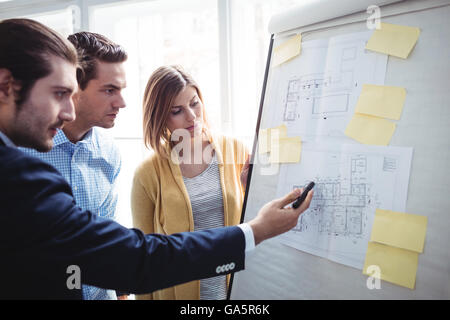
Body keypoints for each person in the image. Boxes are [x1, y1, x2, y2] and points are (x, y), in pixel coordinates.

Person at [0, 18, 313, 299]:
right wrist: (255, 230)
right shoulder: (19, 173)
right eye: (59, 93)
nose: (67, 111)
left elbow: (106, 252)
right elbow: (138, 257)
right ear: (5, 86)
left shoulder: (108, 155)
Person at [20, 31, 127, 300]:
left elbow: (107, 237)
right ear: (74, 88)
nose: (121, 102)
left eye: (121, 90)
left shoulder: (109, 153)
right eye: (109, 90)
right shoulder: (20, 152)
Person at [131, 65, 249, 300]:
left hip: (236, 290)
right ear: (159, 116)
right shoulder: (147, 173)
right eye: (177, 110)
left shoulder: (235, 150)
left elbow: (254, 223)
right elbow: (141, 259)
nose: (192, 116)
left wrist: (251, 189)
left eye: (194, 103)